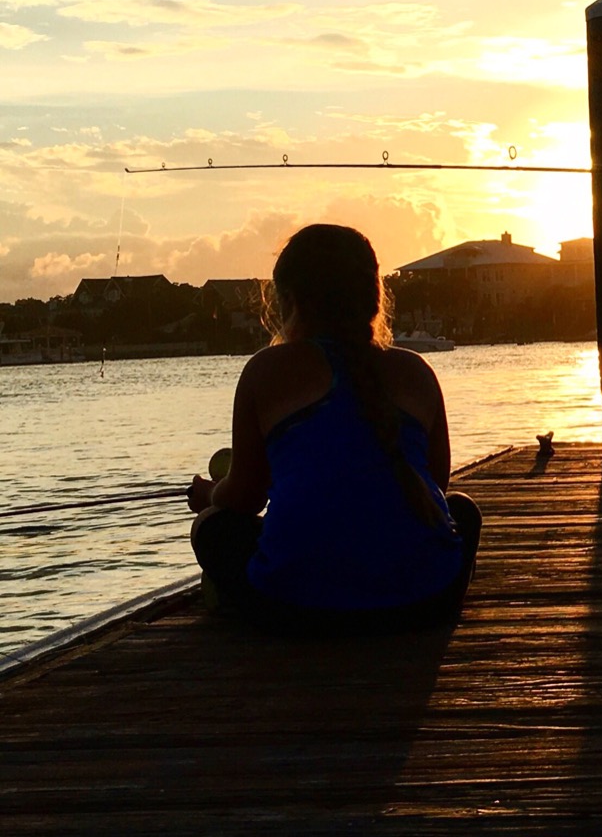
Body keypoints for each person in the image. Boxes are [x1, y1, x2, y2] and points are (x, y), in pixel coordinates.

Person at [188, 223, 481, 632]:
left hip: (297, 611)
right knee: (463, 510)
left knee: (212, 528)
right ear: (373, 297)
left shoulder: (265, 370)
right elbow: (436, 485)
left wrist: (208, 495)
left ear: (289, 300)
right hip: (426, 603)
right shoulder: (416, 371)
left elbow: (245, 497)